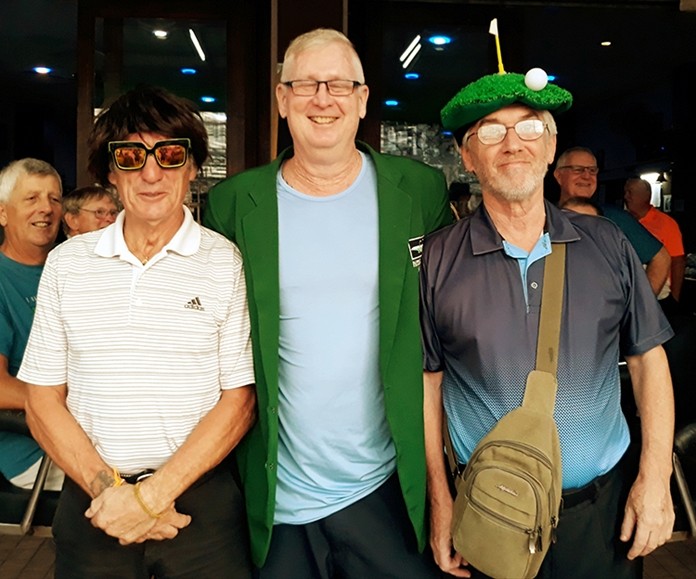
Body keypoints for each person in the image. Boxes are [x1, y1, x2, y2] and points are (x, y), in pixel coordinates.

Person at [204, 28, 451, 579]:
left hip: (387, 482)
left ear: (363, 100)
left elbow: (450, 319)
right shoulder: (232, 205)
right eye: (306, 84)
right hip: (280, 492)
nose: (323, 98)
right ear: (282, 99)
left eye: (339, 84)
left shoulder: (419, 191)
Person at [422, 71, 675, 578]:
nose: (512, 144)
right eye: (490, 131)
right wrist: (441, 499)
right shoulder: (436, 259)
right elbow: (428, 385)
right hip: (491, 513)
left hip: (602, 514)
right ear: (468, 156)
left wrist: (655, 478)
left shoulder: (607, 244)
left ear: (550, 145)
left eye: (529, 128)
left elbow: (649, 360)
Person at [18, 86, 256, 579]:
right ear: (110, 172)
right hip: (94, 504)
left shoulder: (225, 262)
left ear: (192, 168)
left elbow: (240, 400)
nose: (151, 173)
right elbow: (42, 397)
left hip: (200, 511)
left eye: (170, 155)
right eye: (131, 156)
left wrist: (152, 496)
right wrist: (112, 494)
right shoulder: (67, 264)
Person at [0, 158, 65, 491]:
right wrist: (66, 400)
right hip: (32, 452)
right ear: (2, 213)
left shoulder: (72, 267)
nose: (46, 209)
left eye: (54, 199)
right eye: (31, 199)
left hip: (92, 432)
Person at [554, 146, 671, 296]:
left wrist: (640, 308)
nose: (586, 176)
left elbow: (661, 258)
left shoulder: (614, 217)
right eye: (578, 169)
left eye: (592, 171)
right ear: (558, 175)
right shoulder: (543, 215)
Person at [624, 177, 686, 312]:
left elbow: (678, 261)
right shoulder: (624, 221)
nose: (626, 197)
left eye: (630, 192)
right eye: (625, 192)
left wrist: (674, 299)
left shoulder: (666, 224)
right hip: (629, 296)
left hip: (659, 297)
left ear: (646, 195)